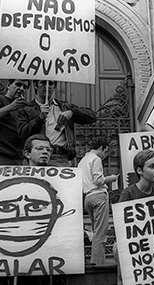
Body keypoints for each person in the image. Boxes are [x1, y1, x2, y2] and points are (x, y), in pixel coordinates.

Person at [17, 80, 97, 167]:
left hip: (60, 157)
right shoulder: (26, 109)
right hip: (36, 158)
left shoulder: (63, 107)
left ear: (54, 87)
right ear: (36, 85)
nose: (47, 86)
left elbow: (92, 116)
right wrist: (40, 119)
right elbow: (22, 133)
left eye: (51, 84)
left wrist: (72, 113)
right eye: (43, 83)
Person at [77, 137, 118, 266]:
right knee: (101, 233)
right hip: (98, 195)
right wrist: (111, 178)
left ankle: (94, 259)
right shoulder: (96, 159)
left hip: (87, 197)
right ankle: (98, 263)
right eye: (105, 151)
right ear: (101, 148)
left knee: (96, 231)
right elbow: (98, 180)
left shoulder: (82, 161)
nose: (105, 154)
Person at [0, 79, 30, 165]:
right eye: (18, 84)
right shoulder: (1, 99)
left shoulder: (25, 107)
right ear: (8, 85)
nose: (21, 89)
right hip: (2, 155)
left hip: (18, 157)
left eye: (25, 87)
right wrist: (11, 107)